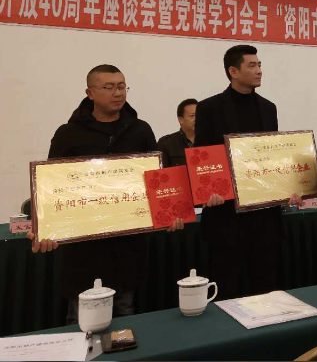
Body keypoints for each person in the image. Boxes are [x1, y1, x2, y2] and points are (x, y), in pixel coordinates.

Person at [27, 64, 183, 324]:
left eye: (121, 87)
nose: (117, 93)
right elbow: (51, 186)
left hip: (127, 244)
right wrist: (44, 227)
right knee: (83, 319)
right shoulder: (68, 133)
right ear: (90, 93)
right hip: (83, 248)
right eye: (108, 87)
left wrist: (170, 212)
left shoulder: (140, 130)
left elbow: (157, 180)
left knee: (124, 317)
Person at [195, 45, 299, 300]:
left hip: (264, 217)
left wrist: (288, 187)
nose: (259, 71)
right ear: (233, 71)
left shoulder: (268, 108)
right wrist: (208, 190)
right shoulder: (209, 108)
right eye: (252, 65)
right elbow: (203, 153)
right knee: (225, 289)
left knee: (265, 289)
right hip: (226, 215)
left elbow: (274, 155)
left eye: (260, 65)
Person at [157, 98, 197, 167]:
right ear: (180, 120)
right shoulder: (166, 144)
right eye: (192, 116)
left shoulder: (210, 141)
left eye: (199, 115)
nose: (197, 119)